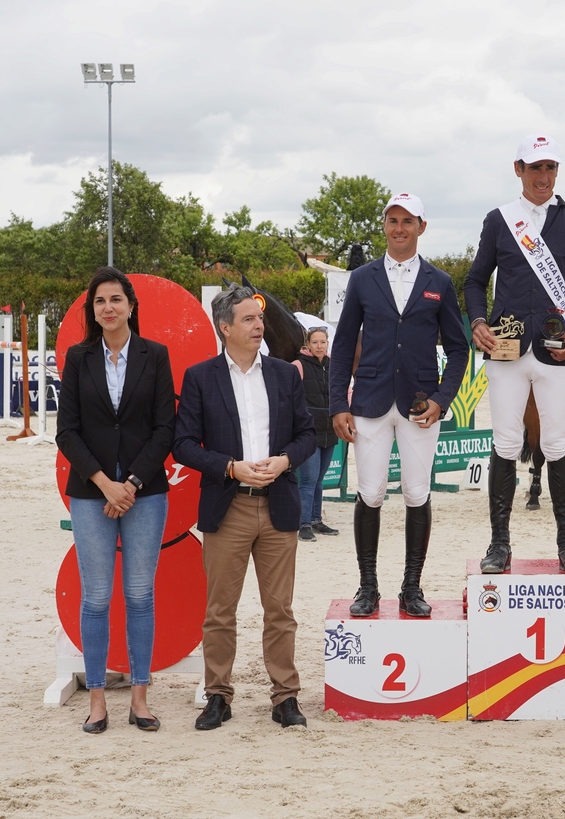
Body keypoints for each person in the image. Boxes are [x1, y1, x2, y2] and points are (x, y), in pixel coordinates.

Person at [173, 285, 316, 730]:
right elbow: (182, 445)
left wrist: (285, 460)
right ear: (225, 328)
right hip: (226, 505)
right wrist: (231, 468)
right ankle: (217, 696)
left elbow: (308, 435)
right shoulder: (200, 377)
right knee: (220, 612)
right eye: (250, 319)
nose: (260, 325)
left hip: (278, 506)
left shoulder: (284, 374)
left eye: (259, 318)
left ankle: (285, 698)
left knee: (281, 611)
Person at [464, 134, 565, 576]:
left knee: (558, 445)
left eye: (551, 168)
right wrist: (479, 322)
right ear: (519, 169)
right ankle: (499, 544)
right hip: (506, 350)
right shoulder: (499, 220)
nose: (544, 177)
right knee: (505, 444)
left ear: (557, 172)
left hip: (558, 351)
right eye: (535, 168)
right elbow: (474, 280)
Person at [330, 192, 468, 617]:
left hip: (419, 405)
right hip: (370, 401)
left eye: (408, 221)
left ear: (422, 227)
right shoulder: (363, 278)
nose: (399, 228)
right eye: (393, 220)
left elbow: (460, 350)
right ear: (384, 225)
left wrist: (443, 400)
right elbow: (340, 347)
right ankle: (367, 586)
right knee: (369, 493)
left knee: (416, 492)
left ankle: (412, 587)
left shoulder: (439, 282)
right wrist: (338, 402)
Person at [56, 267, 175, 734]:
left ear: (131, 306)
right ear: (93, 309)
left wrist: (133, 483)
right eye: (100, 301)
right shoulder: (78, 358)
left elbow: (165, 427)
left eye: (116, 300)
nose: (108, 308)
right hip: (91, 494)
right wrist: (106, 484)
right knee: (97, 597)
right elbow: (67, 431)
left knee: (141, 595)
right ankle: (99, 702)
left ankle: (141, 698)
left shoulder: (156, 356)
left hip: (145, 493)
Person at [294, 326, 338, 542]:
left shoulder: (334, 366)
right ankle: (303, 525)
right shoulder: (298, 366)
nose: (319, 346)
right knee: (308, 480)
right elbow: (289, 398)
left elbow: (343, 393)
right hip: (309, 432)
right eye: (315, 342)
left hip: (330, 429)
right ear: (308, 345)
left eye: (323, 342)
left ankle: (315, 520)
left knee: (319, 480)